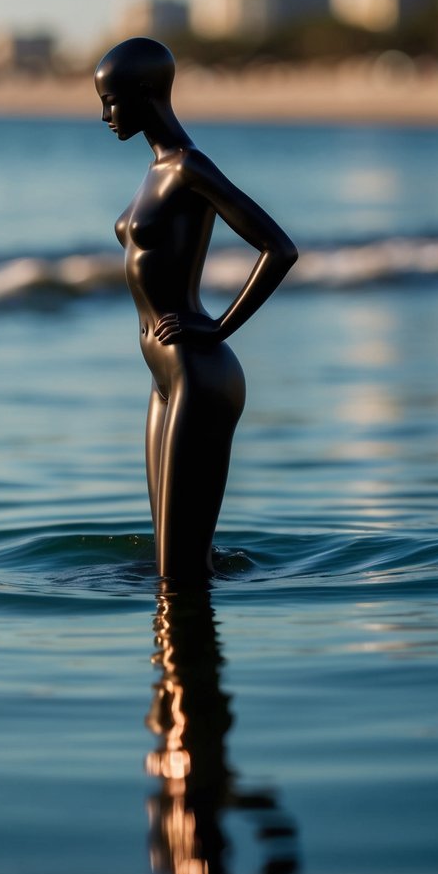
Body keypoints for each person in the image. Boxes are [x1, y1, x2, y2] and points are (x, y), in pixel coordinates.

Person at [95, 38, 297, 581]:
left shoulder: (189, 167)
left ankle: (193, 661)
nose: (105, 115)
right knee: (169, 564)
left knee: (180, 572)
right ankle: (173, 666)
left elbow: (278, 249)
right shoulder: (154, 172)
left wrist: (220, 325)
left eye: (112, 101)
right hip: (164, 378)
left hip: (198, 374)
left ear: (145, 93)